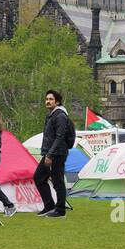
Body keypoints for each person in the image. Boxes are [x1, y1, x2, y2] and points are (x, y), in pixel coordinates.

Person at [34, 89, 75, 218]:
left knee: (58, 181)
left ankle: (61, 210)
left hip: (57, 153)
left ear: (57, 102)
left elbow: (60, 137)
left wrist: (50, 155)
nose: (48, 101)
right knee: (39, 177)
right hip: (50, 153)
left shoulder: (60, 116)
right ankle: (49, 205)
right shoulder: (52, 115)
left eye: (51, 99)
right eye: (46, 99)